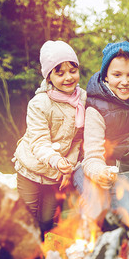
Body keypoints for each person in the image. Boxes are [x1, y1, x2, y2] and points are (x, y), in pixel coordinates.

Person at [13, 40, 86, 236]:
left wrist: (67, 168)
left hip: (56, 173)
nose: (68, 77)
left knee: (47, 218)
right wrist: (56, 160)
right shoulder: (40, 103)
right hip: (32, 167)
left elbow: (77, 140)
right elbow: (39, 142)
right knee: (28, 214)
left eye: (72, 70)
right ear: (49, 77)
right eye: (59, 73)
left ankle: (44, 250)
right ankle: (25, 253)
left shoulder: (82, 100)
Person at [73, 41, 129, 226]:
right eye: (117, 75)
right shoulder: (96, 108)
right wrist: (100, 172)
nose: (124, 81)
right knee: (97, 212)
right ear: (105, 76)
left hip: (124, 172)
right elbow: (91, 156)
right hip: (93, 169)